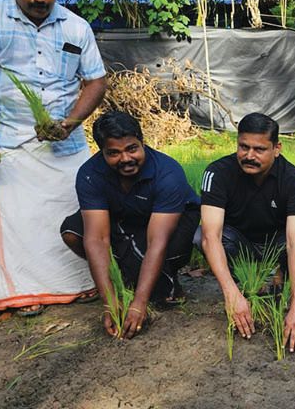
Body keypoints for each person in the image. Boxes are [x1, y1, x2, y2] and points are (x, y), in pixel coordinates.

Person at [0, 0, 107, 316]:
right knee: (21, 222)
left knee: (72, 211)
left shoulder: (76, 26)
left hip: (65, 139)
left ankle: (81, 284)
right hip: (11, 141)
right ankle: (28, 293)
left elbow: (96, 81)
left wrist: (70, 122)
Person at [60, 111, 200, 339]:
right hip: (124, 217)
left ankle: (160, 278)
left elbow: (158, 241)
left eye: (131, 149)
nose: (125, 159)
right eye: (113, 153)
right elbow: (97, 239)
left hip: (169, 223)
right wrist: (109, 301)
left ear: (142, 142)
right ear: (101, 152)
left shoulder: (167, 173)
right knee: (73, 233)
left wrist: (138, 303)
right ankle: (122, 278)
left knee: (154, 279)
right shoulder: (89, 174)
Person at [197, 113, 295, 353]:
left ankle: (278, 280)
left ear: (277, 148)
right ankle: (241, 288)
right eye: (244, 147)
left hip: (276, 244)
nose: (249, 156)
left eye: (259, 149)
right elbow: (210, 236)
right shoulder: (217, 173)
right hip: (239, 243)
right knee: (201, 237)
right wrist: (230, 294)